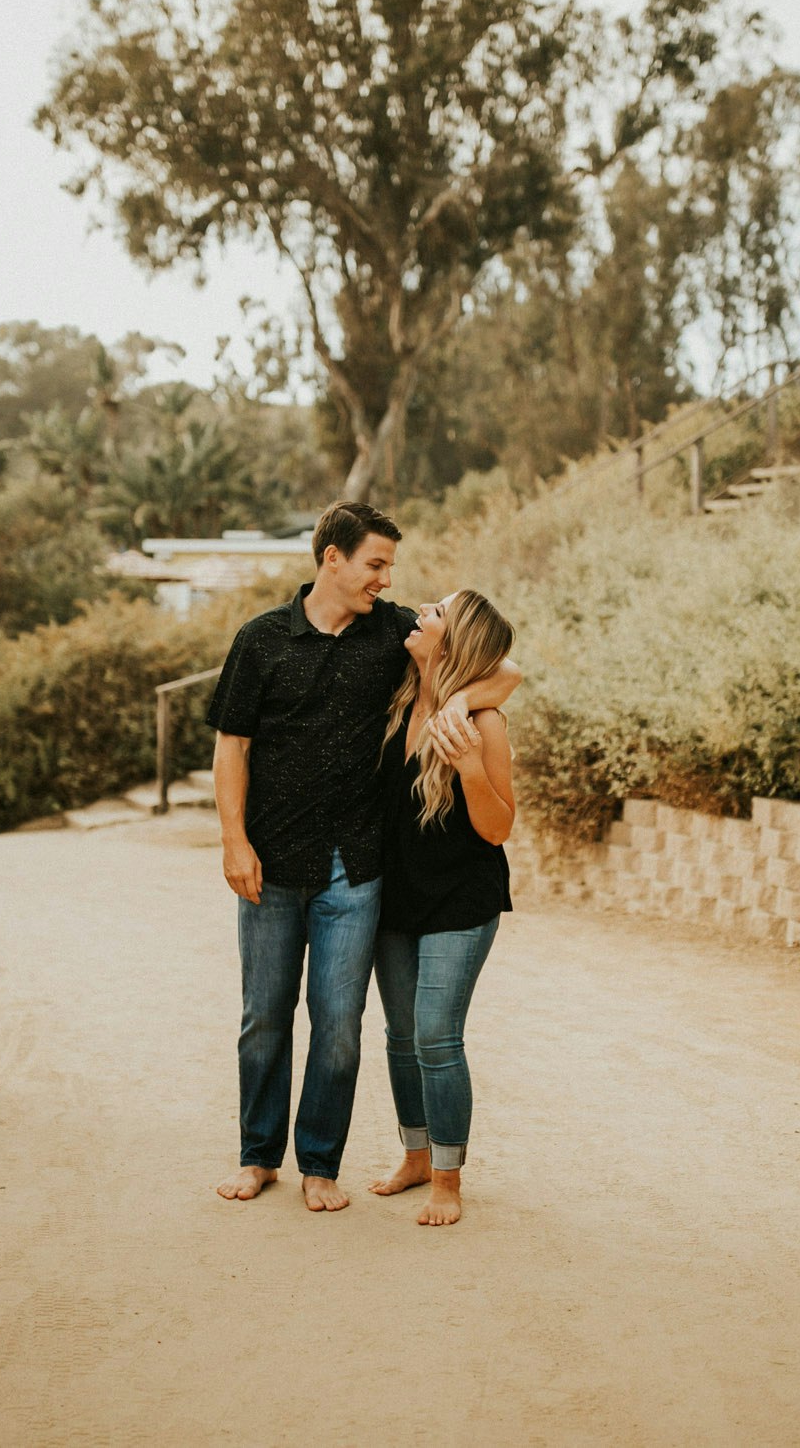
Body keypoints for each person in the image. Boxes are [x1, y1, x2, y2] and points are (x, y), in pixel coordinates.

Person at [207, 504, 519, 1212]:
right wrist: (234, 840)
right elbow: (232, 745)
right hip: (273, 862)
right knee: (264, 1017)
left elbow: (503, 664)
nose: (387, 580)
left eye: (390, 568)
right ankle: (259, 1158)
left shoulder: (394, 633)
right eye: (375, 564)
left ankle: (321, 1164)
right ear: (332, 559)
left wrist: (462, 701)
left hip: (357, 871)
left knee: (342, 1026)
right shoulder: (260, 641)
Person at [366, 590, 515, 1227]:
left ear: (452, 642)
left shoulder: (484, 723)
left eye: (436, 612)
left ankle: (448, 1179)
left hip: (461, 896)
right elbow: (512, 671)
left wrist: (472, 769)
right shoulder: (400, 694)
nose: (420, 611)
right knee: (401, 1037)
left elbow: (498, 828)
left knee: (435, 1034)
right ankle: (416, 1156)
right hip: (395, 894)